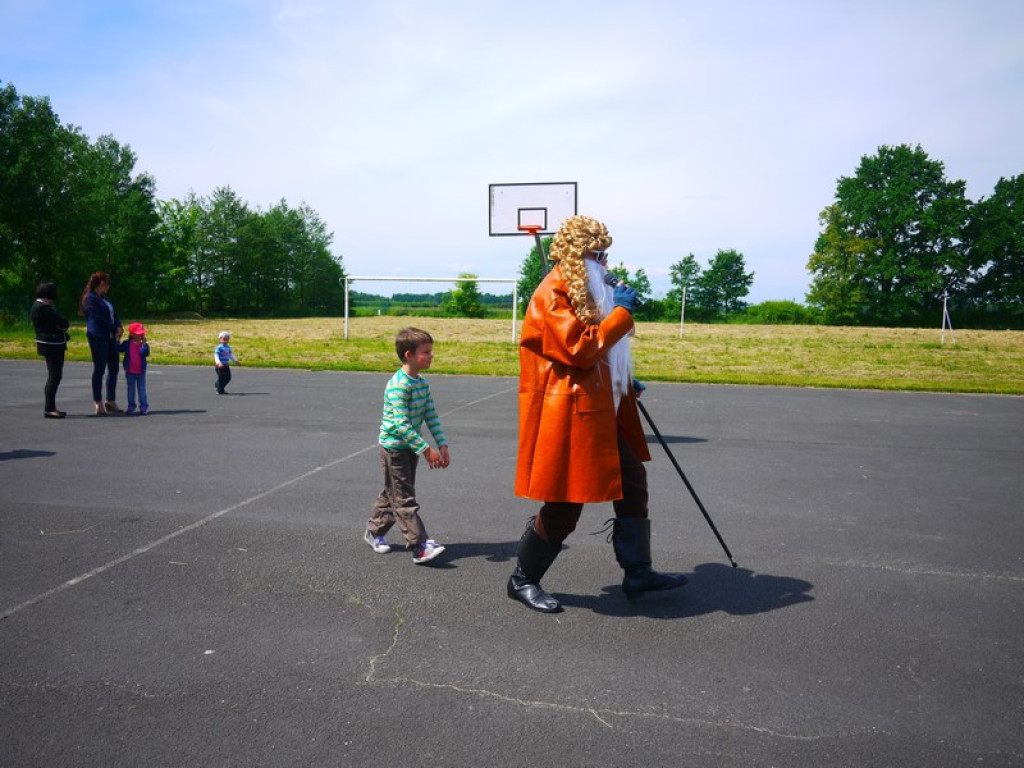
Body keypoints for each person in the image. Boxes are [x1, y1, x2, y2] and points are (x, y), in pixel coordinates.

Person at [507, 215, 688, 613]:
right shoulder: (551, 294)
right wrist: (622, 315)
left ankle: (637, 572)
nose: (605, 262)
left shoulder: (583, 289)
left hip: (598, 407)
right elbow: (580, 349)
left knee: (632, 482)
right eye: (598, 254)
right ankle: (522, 578)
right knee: (567, 503)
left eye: (606, 254)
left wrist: (622, 377)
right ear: (578, 255)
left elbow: (596, 354)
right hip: (569, 413)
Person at [364, 327, 450, 565]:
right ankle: (419, 545)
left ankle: (374, 531)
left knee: (394, 492)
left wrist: (441, 444)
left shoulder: (421, 383)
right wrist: (425, 449)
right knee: (403, 497)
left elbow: (430, 415)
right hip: (394, 448)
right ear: (409, 355)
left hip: (409, 447)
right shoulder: (398, 385)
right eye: (426, 352)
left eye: (431, 351)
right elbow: (401, 424)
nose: (431, 356)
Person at [79, 271, 123, 415]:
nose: (108, 288)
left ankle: (110, 400)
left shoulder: (105, 299)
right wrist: (114, 328)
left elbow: (114, 315)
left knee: (114, 367)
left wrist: (119, 326)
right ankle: (98, 402)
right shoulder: (90, 299)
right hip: (98, 336)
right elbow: (98, 319)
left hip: (111, 337)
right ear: (101, 284)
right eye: (107, 285)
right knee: (99, 369)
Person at [30, 282, 70, 419]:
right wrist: (62, 325)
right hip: (51, 344)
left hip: (51, 343)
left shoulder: (41, 307)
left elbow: (60, 323)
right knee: (54, 376)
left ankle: (52, 407)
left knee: (55, 376)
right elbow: (62, 322)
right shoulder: (44, 308)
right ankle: (49, 408)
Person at [118, 322, 150, 415]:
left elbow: (145, 353)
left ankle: (143, 406)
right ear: (132, 334)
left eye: (142, 333)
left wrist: (144, 345)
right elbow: (119, 349)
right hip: (130, 371)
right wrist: (117, 339)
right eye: (139, 334)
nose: (141, 335)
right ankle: (131, 406)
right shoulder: (127, 344)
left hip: (140, 371)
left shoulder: (143, 345)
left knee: (142, 389)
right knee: (131, 390)